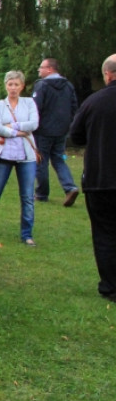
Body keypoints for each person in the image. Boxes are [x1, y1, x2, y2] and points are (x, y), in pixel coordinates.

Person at [69, 55, 116, 302]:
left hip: (101, 177)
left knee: (105, 232)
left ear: (107, 75)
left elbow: (75, 135)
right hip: (101, 177)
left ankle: (110, 285)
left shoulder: (94, 102)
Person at [0, 70, 40, 246]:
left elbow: (34, 124)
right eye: (10, 84)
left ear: (22, 86)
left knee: (27, 196)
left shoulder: (29, 103)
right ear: (5, 85)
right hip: (3, 154)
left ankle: (27, 234)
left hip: (26, 156)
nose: (13, 88)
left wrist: (10, 126)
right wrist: (17, 132)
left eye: (16, 84)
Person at [32, 58, 80, 206]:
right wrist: (67, 124)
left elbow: (35, 108)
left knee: (41, 161)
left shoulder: (42, 86)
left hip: (44, 130)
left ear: (50, 69)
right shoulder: (68, 86)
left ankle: (41, 193)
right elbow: (74, 107)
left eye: (41, 67)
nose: (39, 70)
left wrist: (33, 126)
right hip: (61, 130)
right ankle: (70, 187)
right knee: (58, 159)